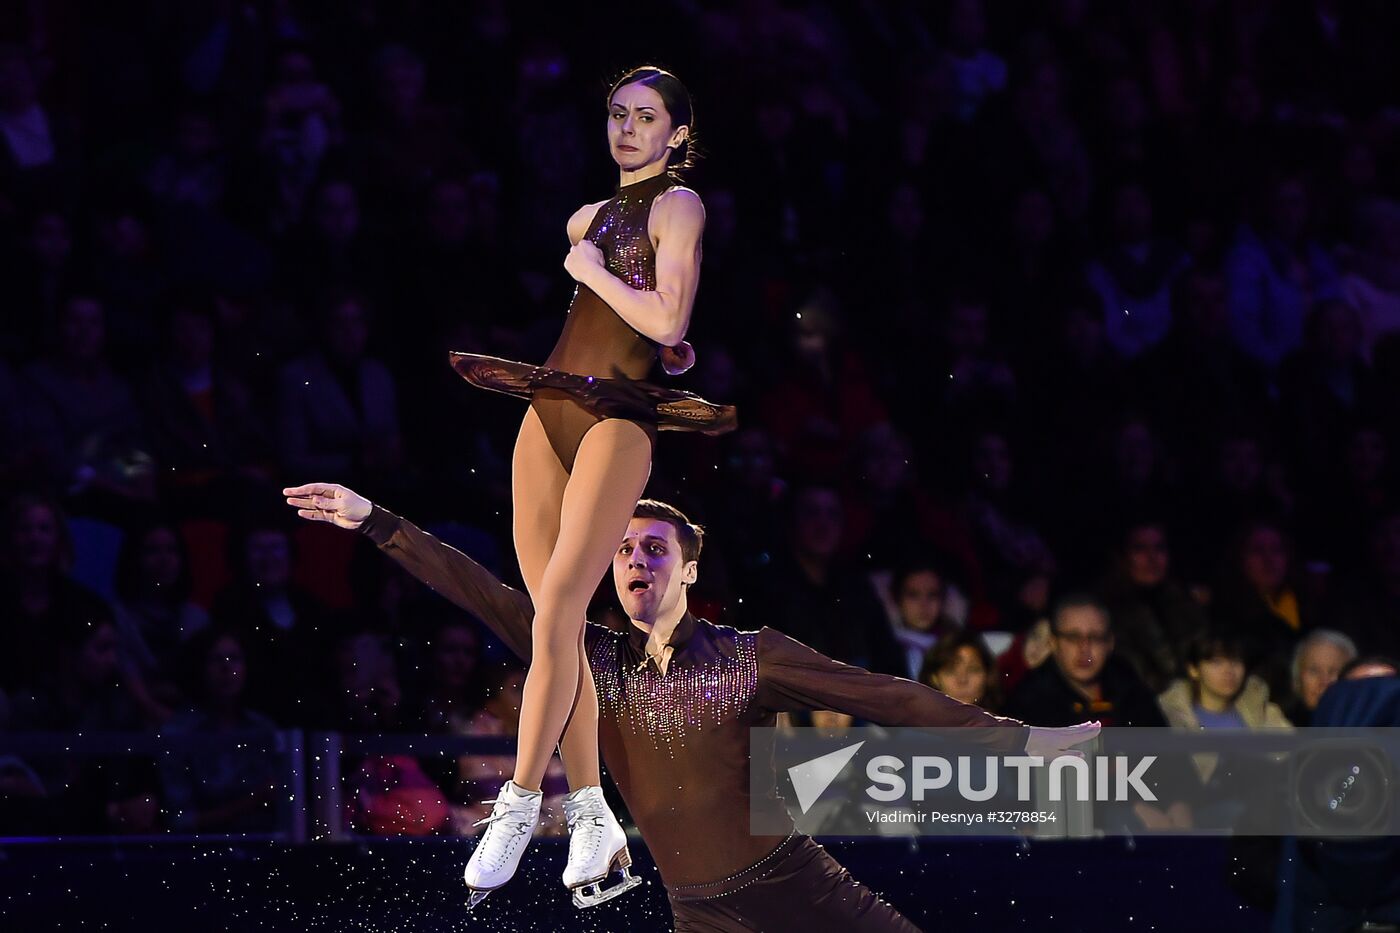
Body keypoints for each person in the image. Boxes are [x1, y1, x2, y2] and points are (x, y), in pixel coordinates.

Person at [281, 482, 1098, 932]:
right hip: (701, 911)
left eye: (654, 548)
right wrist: (379, 521)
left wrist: (1019, 740)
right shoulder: (590, 658)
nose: (635, 560)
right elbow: (487, 597)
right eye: (624, 551)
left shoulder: (753, 653)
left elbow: (883, 694)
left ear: (689, 570)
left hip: (798, 887)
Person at [440, 66, 735, 908]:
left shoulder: (680, 204)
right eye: (617, 114)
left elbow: (668, 321)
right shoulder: (587, 216)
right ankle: (595, 808)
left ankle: (522, 800)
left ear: (678, 132)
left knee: (567, 603)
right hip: (548, 405)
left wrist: (594, 272)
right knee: (550, 625)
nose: (628, 129)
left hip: (617, 415)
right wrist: (602, 270)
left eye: (646, 117)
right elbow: (656, 327)